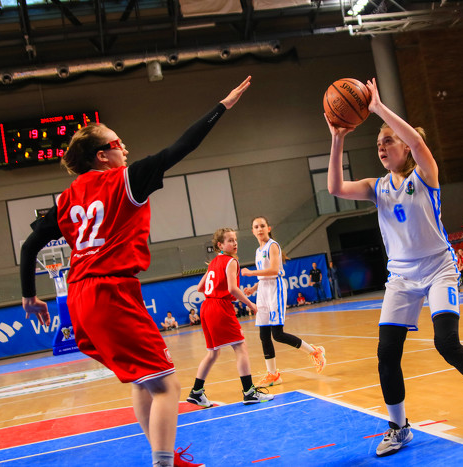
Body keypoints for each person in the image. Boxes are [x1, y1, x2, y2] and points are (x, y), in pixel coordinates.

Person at [19, 76, 252, 467]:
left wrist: (29, 295)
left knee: (143, 381)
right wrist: (222, 105)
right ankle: (164, 464)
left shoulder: (66, 198)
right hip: (110, 291)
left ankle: (165, 457)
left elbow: (29, 247)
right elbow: (183, 145)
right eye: (117, 143)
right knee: (167, 386)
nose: (124, 147)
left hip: (79, 296)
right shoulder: (125, 179)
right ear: (102, 156)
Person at [326, 78, 463, 458]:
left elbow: (420, 145)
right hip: (402, 276)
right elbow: (336, 188)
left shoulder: (424, 175)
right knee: (386, 353)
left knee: (446, 343)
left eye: (388, 141)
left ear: (405, 147)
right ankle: (399, 427)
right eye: (378, 144)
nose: (381, 147)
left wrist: (378, 108)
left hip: (439, 267)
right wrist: (337, 137)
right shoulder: (376, 187)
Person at [186, 228, 273, 409]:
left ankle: (196, 392)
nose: (234, 243)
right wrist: (251, 304)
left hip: (206, 307)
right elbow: (233, 289)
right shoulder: (231, 261)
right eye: (230, 240)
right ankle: (249, 392)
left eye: (235, 240)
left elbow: (201, 288)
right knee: (240, 347)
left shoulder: (213, 263)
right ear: (220, 245)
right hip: (219, 307)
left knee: (213, 353)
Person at [242, 216, 326, 387]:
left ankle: (315, 351)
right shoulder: (258, 250)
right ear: (252, 231)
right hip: (263, 289)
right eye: (256, 227)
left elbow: (274, 270)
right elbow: (264, 275)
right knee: (264, 335)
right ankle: (273, 375)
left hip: (275, 289)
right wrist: (254, 288)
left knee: (277, 334)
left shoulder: (273, 245)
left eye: (262, 226)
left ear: (268, 228)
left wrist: (251, 273)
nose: (259, 229)